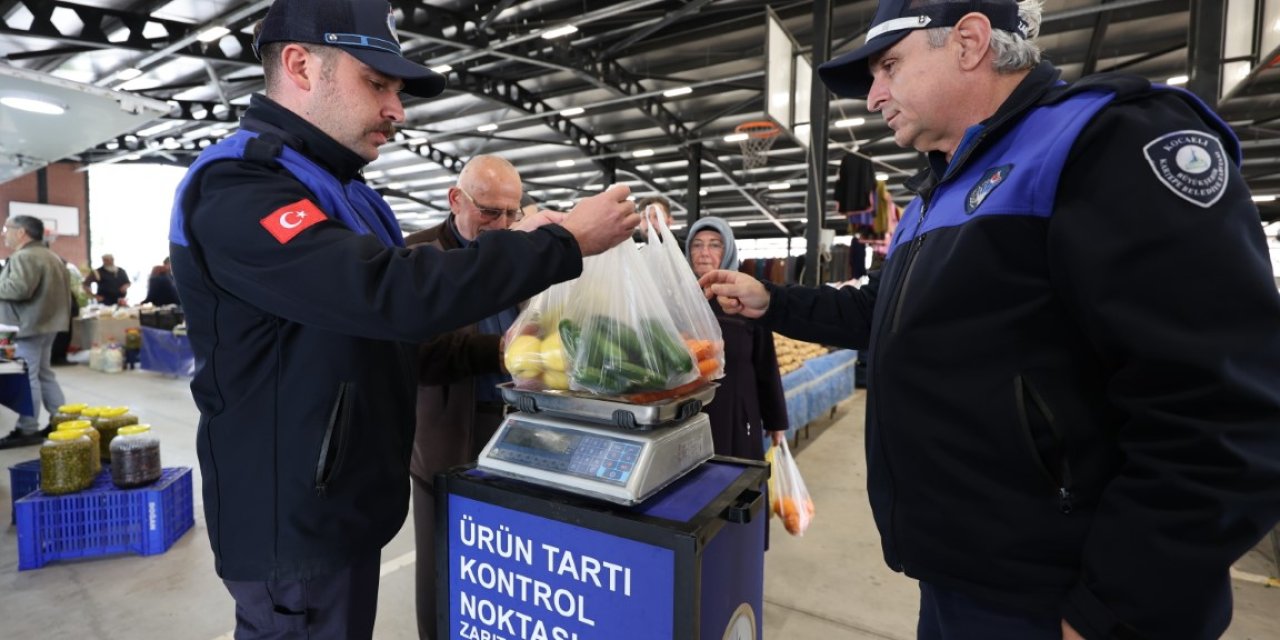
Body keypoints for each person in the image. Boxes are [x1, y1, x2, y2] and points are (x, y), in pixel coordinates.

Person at [699, 0, 1280, 638]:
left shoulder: (1101, 141)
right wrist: (773, 302)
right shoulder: (935, 195)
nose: (874, 97)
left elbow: (1221, 408)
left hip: (1059, 596)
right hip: (961, 578)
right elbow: (883, 313)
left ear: (970, 41)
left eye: (889, 66)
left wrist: (1117, 607)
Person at [166, 1, 639, 637]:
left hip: (345, 504)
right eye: (377, 84)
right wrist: (562, 245)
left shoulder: (351, 193)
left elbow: (402, 332)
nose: (398, 110)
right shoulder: (241, 184)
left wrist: (503, 346)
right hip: (292, 519)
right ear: (302, 66)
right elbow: (388, 291)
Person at [403, 154, 526, 639]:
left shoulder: (516, 256)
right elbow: (414, 352)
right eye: (489, 213)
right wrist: (496, 352)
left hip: (517, 431)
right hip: (446, 438)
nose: (500, 226)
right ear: (456, 200)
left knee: (506, 564)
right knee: (444, 566)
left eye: (511, 214)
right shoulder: (416, 256)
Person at [684, 216, 787, 460]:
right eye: (697, 245)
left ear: (728, 249)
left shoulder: (745, 299)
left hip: (736, 412)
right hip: (688, 415)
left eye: (714, 244)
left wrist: (776, 419)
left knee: (735, 483)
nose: (704, 252)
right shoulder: (679, 300)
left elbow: (765, 363)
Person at [0, 215, 71, 448]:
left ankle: (27, 428)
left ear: (21, 232)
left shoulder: (24, 256)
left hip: (27, 326)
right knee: (43, 373)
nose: (4, 234)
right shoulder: (51, 255)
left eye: (6, 229)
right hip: (48, 324)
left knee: (28, 375)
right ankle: (63, 420)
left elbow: (18, 290)